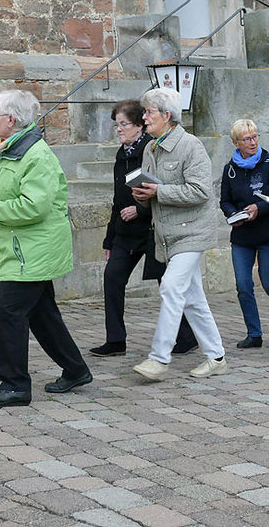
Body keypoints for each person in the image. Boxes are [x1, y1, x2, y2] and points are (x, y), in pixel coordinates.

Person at [0, 90, 91, 407]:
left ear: (10, 120)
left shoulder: (35, 155)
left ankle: (14, 385)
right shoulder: (12, 149)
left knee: (8, 314)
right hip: (24, 248)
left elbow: (34, 207)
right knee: (43, 316)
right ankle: (76, 369)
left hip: (31, 252)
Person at [130, 88, 227, 381]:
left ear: (167, 115)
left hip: (193, 232)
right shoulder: (149, 148)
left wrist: (160, 191)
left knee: (171, 288)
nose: (144, 117)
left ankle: (159, 358)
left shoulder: (191, 146)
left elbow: (200, 191)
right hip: (167, 235)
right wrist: (141, 195)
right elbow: (150, 195)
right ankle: (216, 356)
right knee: (193, 298)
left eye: (149, 112)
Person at [90, 100, 196, 357]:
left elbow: (161, 191)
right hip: (124, 234)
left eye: (123, 124)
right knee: (112, 278)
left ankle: (186, 336)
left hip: (151, 230)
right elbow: (118, 200)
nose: (119, 129)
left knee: (166, 284)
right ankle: (115, 340)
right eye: (116, 125)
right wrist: (108, 239)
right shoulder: (121, 154)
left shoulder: (151, 150)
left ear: (139, 125)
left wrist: (140, 210)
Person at [220, 119, 269, 349]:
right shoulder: (230, 169)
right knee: (243, 285)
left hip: (267, 233)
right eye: (247, 139)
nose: (253, 142)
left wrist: (259, 208)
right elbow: (224, 200)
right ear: (236, 142)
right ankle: (254, 334)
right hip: (242, 236)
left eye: (255, 137)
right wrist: (233, 214)